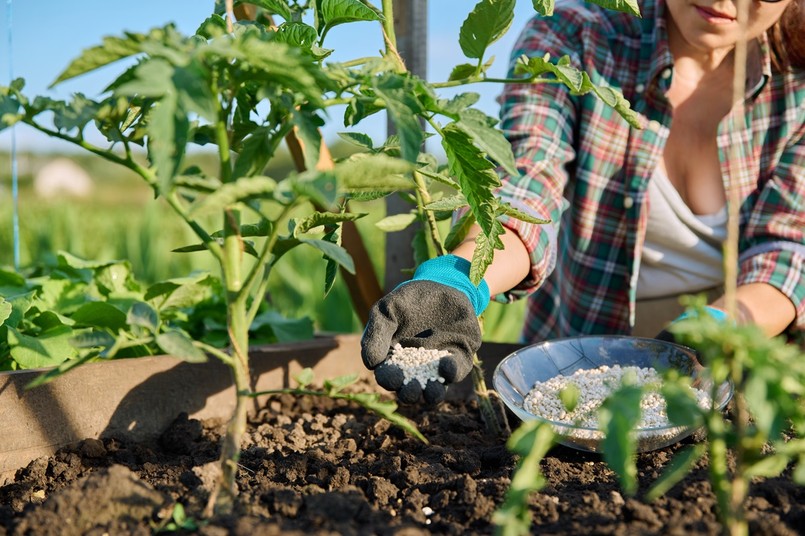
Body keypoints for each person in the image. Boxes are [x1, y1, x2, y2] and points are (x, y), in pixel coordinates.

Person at [361, 0, 805, 403]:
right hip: (570, 373)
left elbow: (787, 252)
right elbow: (527, 187)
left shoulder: (797, 87)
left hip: (736, 367)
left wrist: (711, 332)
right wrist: (459, 280)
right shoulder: (576, 39)